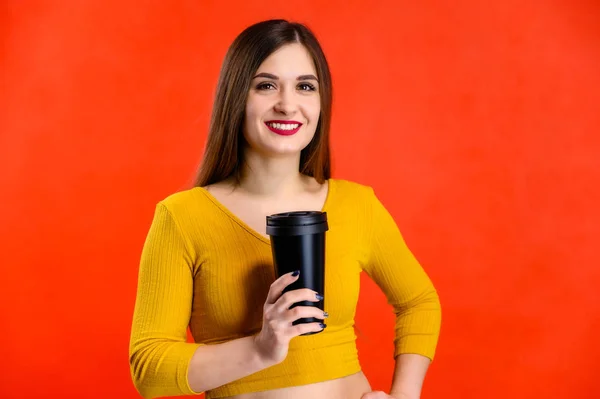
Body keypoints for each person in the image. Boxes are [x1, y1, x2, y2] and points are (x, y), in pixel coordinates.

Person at [129, 19, 441, 399]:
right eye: (266, 85)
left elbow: (419, 302)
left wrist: (404, 396)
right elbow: (150, 368)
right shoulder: (182, 217)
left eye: (305, 87)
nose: (287, 104)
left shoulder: (357, 205)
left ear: (321, 102)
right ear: (236, 96)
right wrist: (260, 350)